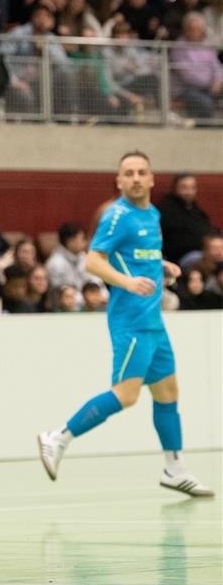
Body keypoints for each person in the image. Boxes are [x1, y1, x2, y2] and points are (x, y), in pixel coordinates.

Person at [37, 152, 214, 498]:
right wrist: (127, 282)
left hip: (153, 321)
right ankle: (57, 437)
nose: (135, 178)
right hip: (131, 321)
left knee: (168, 393)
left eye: (141, 172)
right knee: (127, 395)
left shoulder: (152, 213)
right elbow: (94, 260)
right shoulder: (117, 215)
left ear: (151, 179)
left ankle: (174, 470)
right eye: (128, 173)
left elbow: (137, 255)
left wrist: (162, 266)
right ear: (119, 181)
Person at [156, 174, 215, 266]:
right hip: (181, 257)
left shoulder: (196, 210)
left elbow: (209, 229)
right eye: (184, 187)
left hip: (206, 253)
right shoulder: (166, 209)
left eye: (192, 188)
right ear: (175, 189)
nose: (189, 192)